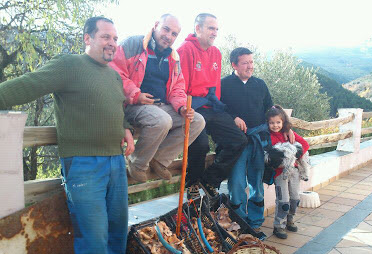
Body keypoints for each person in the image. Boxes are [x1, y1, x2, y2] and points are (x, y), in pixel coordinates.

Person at [0, 17, 133, 254]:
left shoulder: (113, 76)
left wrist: (126, 129)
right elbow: (26, 85)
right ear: (87, 38)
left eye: (115, 38)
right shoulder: (69, 65)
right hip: (83, 165)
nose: (112, 43)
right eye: (106, 37)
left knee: (117, 233)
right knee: (93, 239)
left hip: (115, 163)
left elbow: (114, 111)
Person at [110, 14, 205, 183]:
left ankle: (159, 159)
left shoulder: (174, 58)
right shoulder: (133, 44)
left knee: (197, 120)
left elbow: (177, 87)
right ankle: (137, 162)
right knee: (162, 120)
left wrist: (182, 107)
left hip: (161, 107)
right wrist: (135, 94)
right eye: (166, 29)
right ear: (155, 25)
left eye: (174, 34)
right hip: (132, 106)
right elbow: (115, 73)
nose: (169, 36)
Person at [177, 13, 247, 200]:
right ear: (198, 28)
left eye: (216, 29)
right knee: (200, 145)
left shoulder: (216, 52)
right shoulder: (185, 50)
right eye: (211, 28)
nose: (215, 32)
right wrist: (185, 107)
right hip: (193, 106)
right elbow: (180, 86)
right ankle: (192, 183)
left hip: (212, 107)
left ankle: (209, 180)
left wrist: (221, 108)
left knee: (239, 140)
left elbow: (215, 86)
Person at [221, 47, 273, 230]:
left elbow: (271, 111)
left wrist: (287, 129)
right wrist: (233, 117)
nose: (250, 66)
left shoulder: (260, 84)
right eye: (245, 63)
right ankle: (239, 222)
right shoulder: (224, 84)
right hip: (235, 144)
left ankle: (255, 223)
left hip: (258, 142)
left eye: (251, 62)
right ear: (234, 64)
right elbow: (218, 109)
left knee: (256, 185)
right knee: (236, 184)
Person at [267, 105, 309, 239]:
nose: (275, 125)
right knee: (283, 201)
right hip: (280, 173)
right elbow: (271, 157)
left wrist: (295, 154)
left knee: (295, 198)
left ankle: (290, 219)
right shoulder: (269, 137)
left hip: (294, 170)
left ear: (283, 122)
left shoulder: (289, 134)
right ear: (267, 123)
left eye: (278, 122)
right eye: (272, 123)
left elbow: (305, 145)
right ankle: (279, 226)